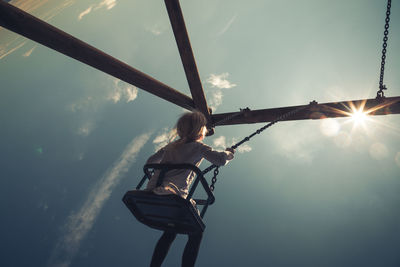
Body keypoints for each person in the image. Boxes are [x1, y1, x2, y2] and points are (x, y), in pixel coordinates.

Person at [145, 111, 235, 267]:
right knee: (197, 233)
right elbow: (220, 160)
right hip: (174, 195)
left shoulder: (170, 146)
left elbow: (150, 161)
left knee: (170, 230)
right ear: (200, 132)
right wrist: (229, 153)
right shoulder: (198, 146)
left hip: (153, 190)